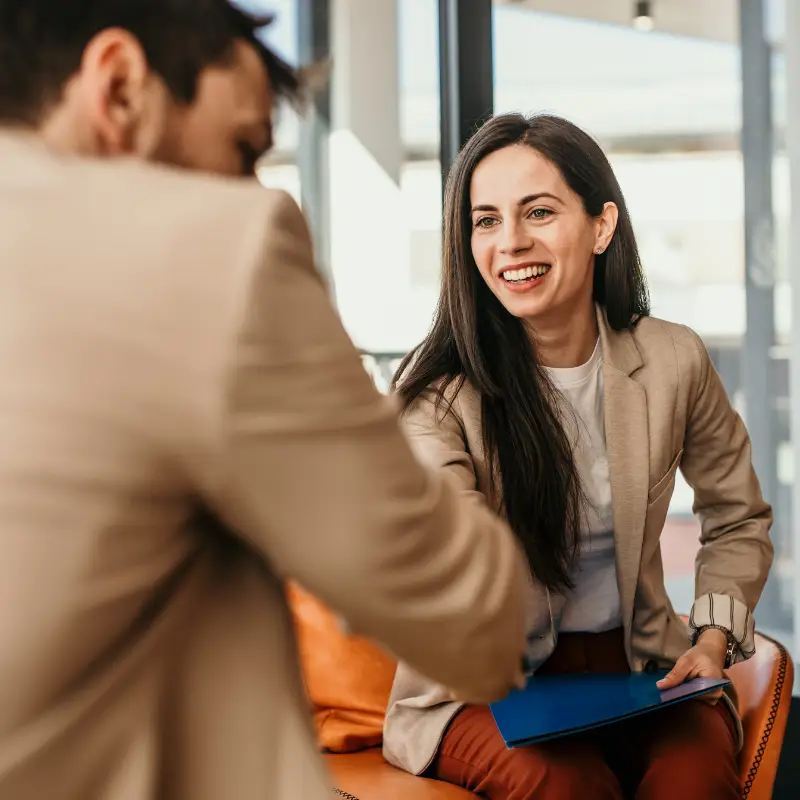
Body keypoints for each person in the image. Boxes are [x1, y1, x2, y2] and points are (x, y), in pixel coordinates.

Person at [0, 4, 532, 799]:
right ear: (118, 87)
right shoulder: (210, 252)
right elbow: (478, 623)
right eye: (244, 151)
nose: (253, 189)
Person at [382, 113, 774, 800]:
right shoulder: (439, 401)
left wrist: (712, 637)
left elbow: (736, 517)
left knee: (696, 780)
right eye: (485, 220)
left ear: (601, 226)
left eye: (538, 212)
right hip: (482, 686)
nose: (511, 243)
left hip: (640, 665)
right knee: (566, 786)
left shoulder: (673, 360)